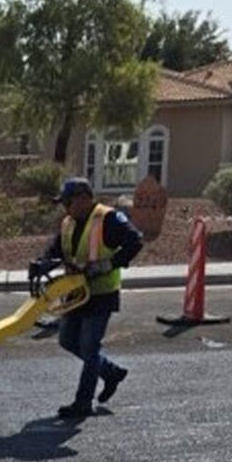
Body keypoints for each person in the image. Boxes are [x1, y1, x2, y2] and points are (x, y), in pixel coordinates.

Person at [39, 177, 143, 419]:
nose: (65, 208)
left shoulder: (108, 218)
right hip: (76, 293)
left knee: (89, 346)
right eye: (64, 203)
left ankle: (83, 402)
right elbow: (55, 249)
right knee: (67, 341)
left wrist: (109, 264)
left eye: (68, 202)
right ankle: (110, 372)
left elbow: (135, 241)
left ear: (85, 199)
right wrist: (42, 262)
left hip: (101, 293)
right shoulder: (68, 223)